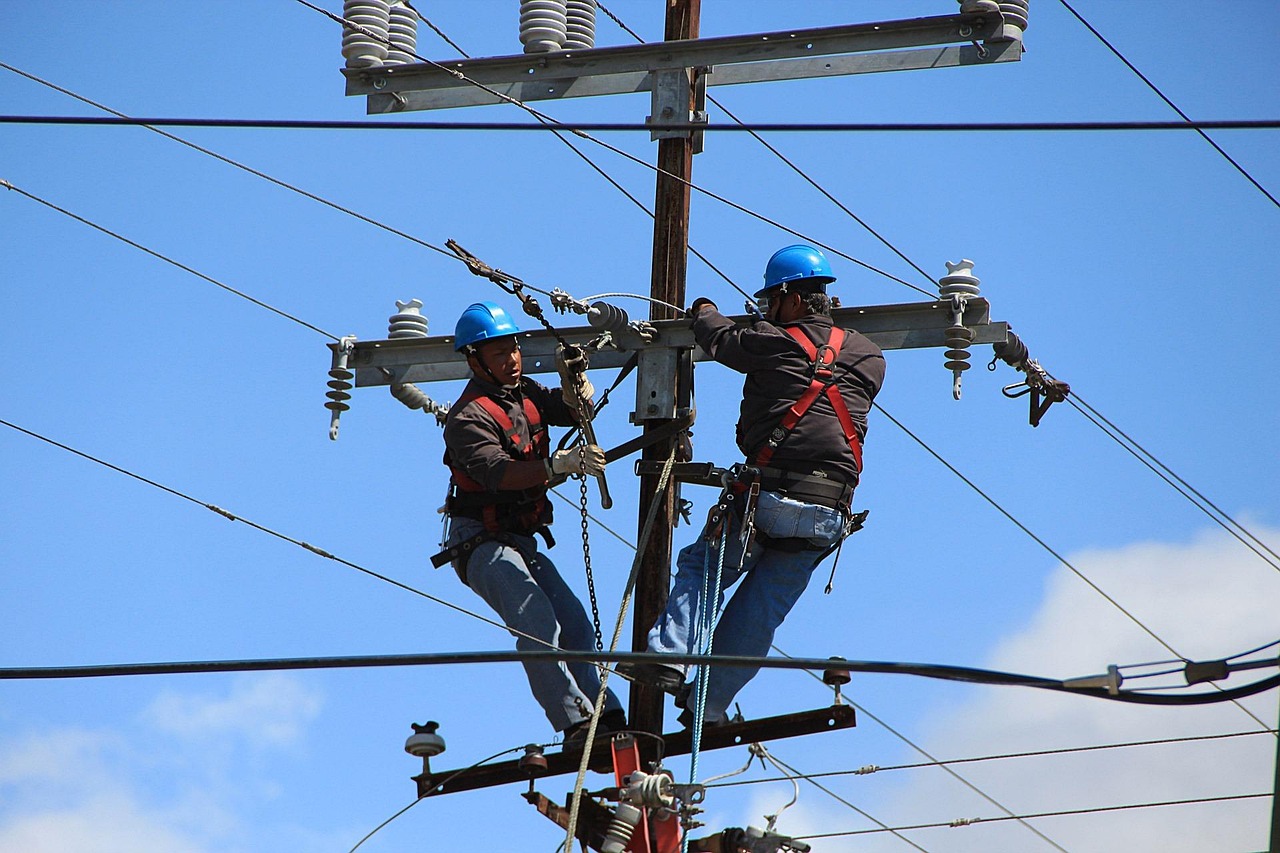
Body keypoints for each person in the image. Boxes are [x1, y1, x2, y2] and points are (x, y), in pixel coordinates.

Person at [620, 245, 886, 727]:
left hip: (769, 495)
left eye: (771, 302)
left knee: (704, 570)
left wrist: (702, 308)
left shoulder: (771, 340)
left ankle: (667, 656)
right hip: (829, 511)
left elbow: (719, 337)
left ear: (791, 298)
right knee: (760, 611)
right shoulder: (870, 357)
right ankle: (710, 703)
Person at [434, 300, 626, 746]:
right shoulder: (467, 418)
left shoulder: (525, 395)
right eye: (498, 352)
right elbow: (499, 473)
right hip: (480, 541)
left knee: (575, 624)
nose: (512, 359)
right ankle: (575, 723)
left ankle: (607, 715)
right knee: (536, 619)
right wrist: (559, 466)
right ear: (474, 358)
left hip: (520, 540)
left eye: (514, 348)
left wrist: (572, 379)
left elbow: (573, 411)